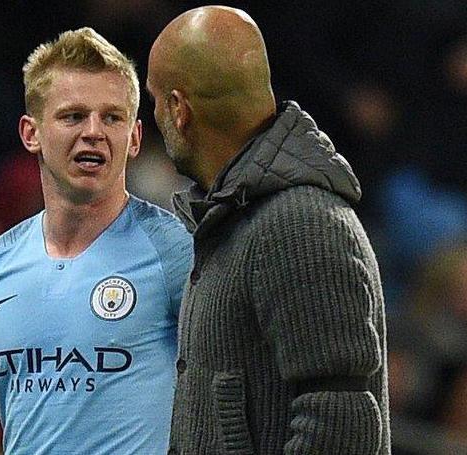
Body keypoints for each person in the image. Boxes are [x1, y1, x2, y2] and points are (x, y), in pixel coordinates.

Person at [0, 27, 193, 454]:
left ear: (135, 138)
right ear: (32, 134)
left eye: (112, 118)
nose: (94, 131)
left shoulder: (177, 253)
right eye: (73, 116)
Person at [146, 6, 390, 455]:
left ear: (179, 110)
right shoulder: (234, 220)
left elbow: (341, 421)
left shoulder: (299, 223)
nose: (155, 115)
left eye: (156, 100)